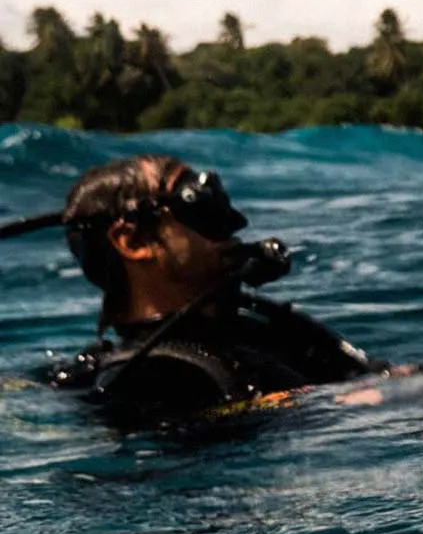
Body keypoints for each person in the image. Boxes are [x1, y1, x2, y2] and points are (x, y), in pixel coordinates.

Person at [37, 154, 380, 421]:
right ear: (134, 241)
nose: (234, 224)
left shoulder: (262, 326)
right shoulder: (151, 380)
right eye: (197, 205)